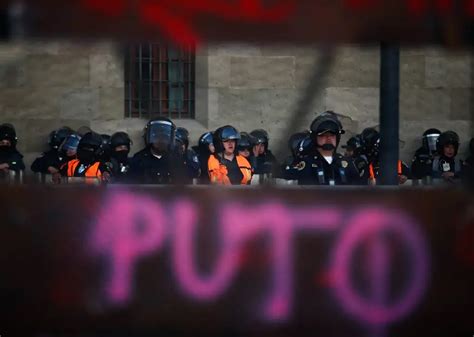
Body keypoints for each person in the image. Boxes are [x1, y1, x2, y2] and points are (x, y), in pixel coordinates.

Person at [293, 111, 360, 185]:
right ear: (315, 137)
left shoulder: (347, 164)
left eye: (332, 134)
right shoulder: (306, 164)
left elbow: (360, 192)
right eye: (323, 134)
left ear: (337, 137)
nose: (328, 138)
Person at [129, 118, 187, 184]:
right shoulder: (139, 159)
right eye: (157, 138)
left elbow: (182, 185)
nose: (161, 141)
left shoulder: (176, 159)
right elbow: (132, 186)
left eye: (164, 138)